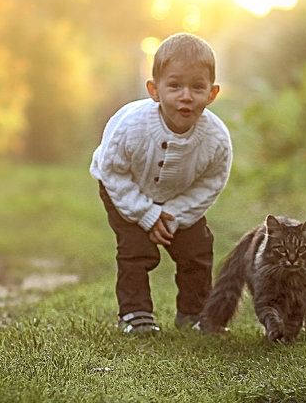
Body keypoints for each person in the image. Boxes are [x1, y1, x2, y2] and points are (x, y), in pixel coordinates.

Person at [90, 33, 233, 333]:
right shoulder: (131, 127)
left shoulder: (216, 139)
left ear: (212, 93)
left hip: (179, 200)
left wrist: (174, 215)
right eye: (175, 86)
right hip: (123, 188)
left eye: (197, 87)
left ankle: (195, 314)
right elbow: (113, 170)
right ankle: (135, 314)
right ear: (154, 91)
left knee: (197, 249)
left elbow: (211, 182)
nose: (186, 96)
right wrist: (144, 213)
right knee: (136, 248)